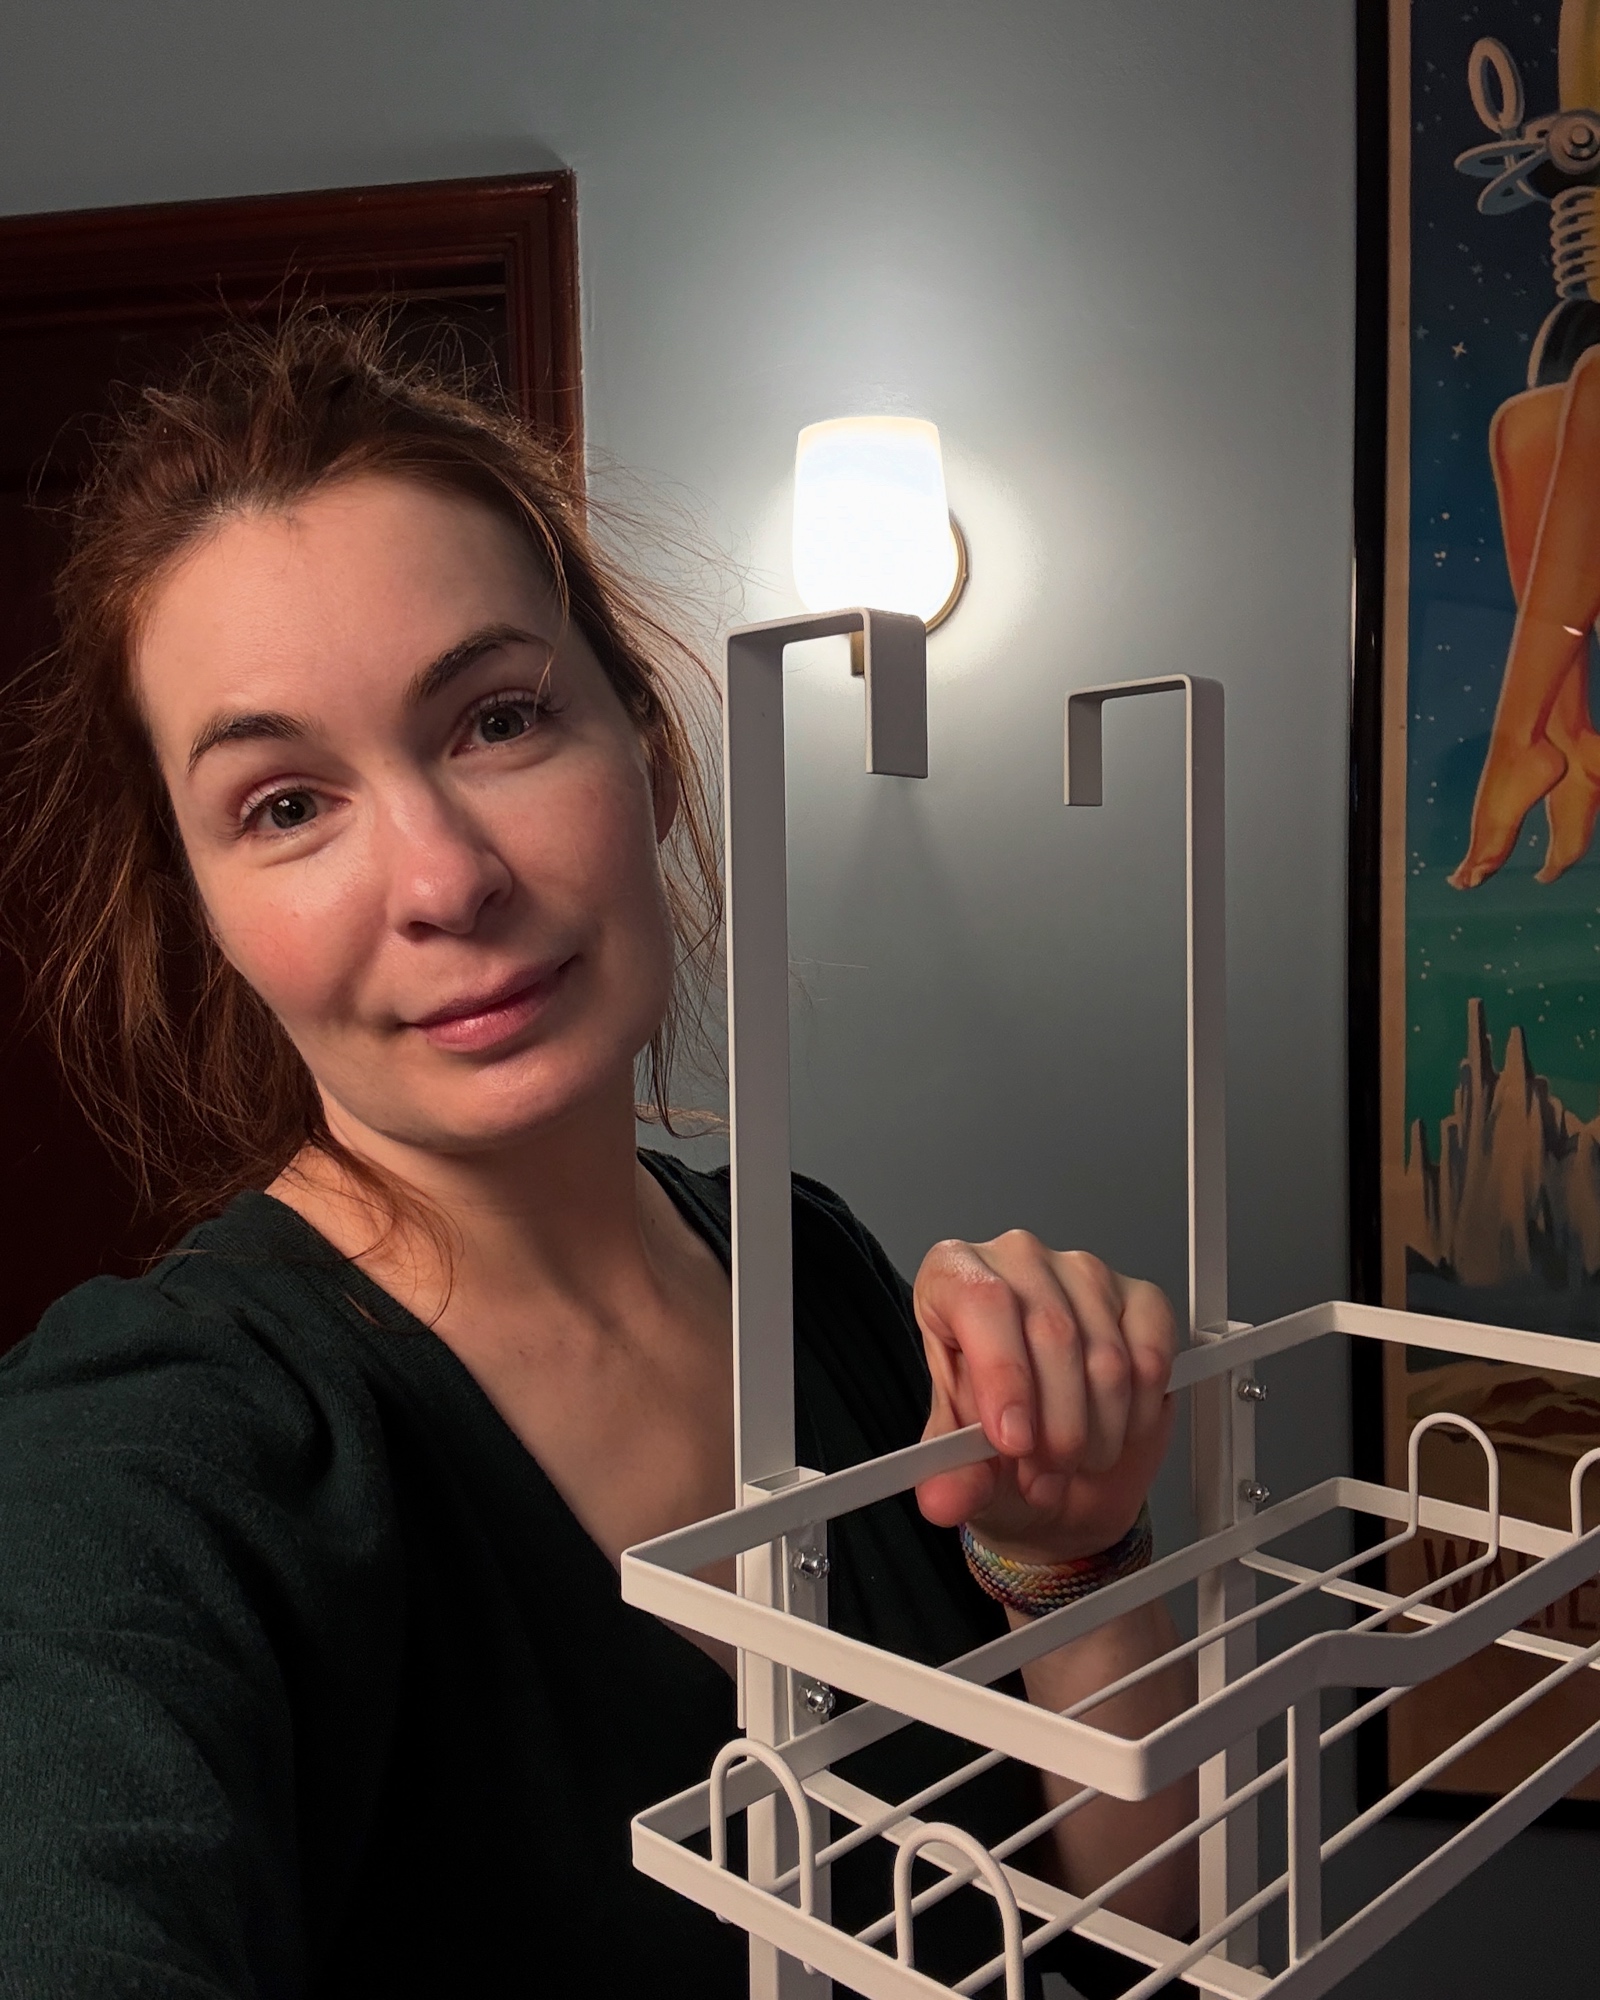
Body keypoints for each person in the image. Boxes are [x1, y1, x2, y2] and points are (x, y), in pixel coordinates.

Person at [0, 315, 1196, 1998]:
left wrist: (1073, 1554)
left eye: (497, 718)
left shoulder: (812, 1267)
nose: (444, 879)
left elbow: (1145, 1940)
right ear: (206, 915)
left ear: (648, 748)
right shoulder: (158, 1447)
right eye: (284, 805)